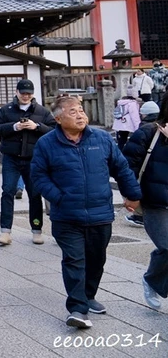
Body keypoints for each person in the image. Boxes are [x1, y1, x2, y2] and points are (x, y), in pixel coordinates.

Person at [31, 96, 141, 329]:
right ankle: (77, 309)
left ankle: (89, 295)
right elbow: (38, 176)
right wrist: (59, 197)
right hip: (66, 216)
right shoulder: (46, 143)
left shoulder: (101, 139)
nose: (80, 115)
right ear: (58, 118)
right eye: (73, 111)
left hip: (100, 212)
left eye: (81, 110)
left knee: (96, 259)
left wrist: (132, 194)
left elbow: (121, 168)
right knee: (73, 259)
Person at [0, 79, 55, 246]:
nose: (26, 96)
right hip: (11, 157)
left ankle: (36, 230)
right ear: (17, 92)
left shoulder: (42, 111)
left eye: (28, 93)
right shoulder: (6, 110)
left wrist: (37, 126)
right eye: (23, 93)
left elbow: (54, 130)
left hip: (33, 158)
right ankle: (5, 232)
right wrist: (14, 127)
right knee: (7, 192)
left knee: (35, 194)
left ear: (32, 94)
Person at [122, 100, 168, 310]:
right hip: (155, 202)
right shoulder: (149, 133)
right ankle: (152, 279)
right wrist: (131, 195)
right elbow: (126, 165)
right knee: (167, 246)